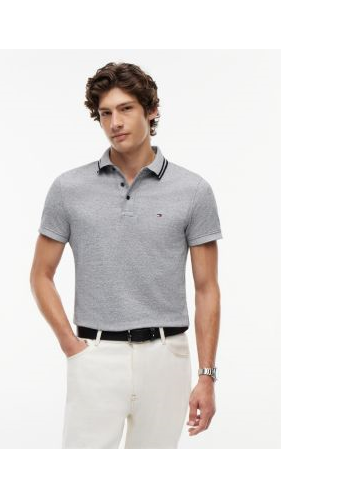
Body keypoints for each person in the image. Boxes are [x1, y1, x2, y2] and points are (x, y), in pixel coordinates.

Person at [30, 62, 222, 449]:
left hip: (167, 357)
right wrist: (71, 345)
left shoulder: (193, 191)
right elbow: (40, 275)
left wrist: (206, 375)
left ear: (151, 111)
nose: (115, 122)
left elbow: (206, 289)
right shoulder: (69, 189)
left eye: (126, 109)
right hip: (95, 355)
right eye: (105, 113)